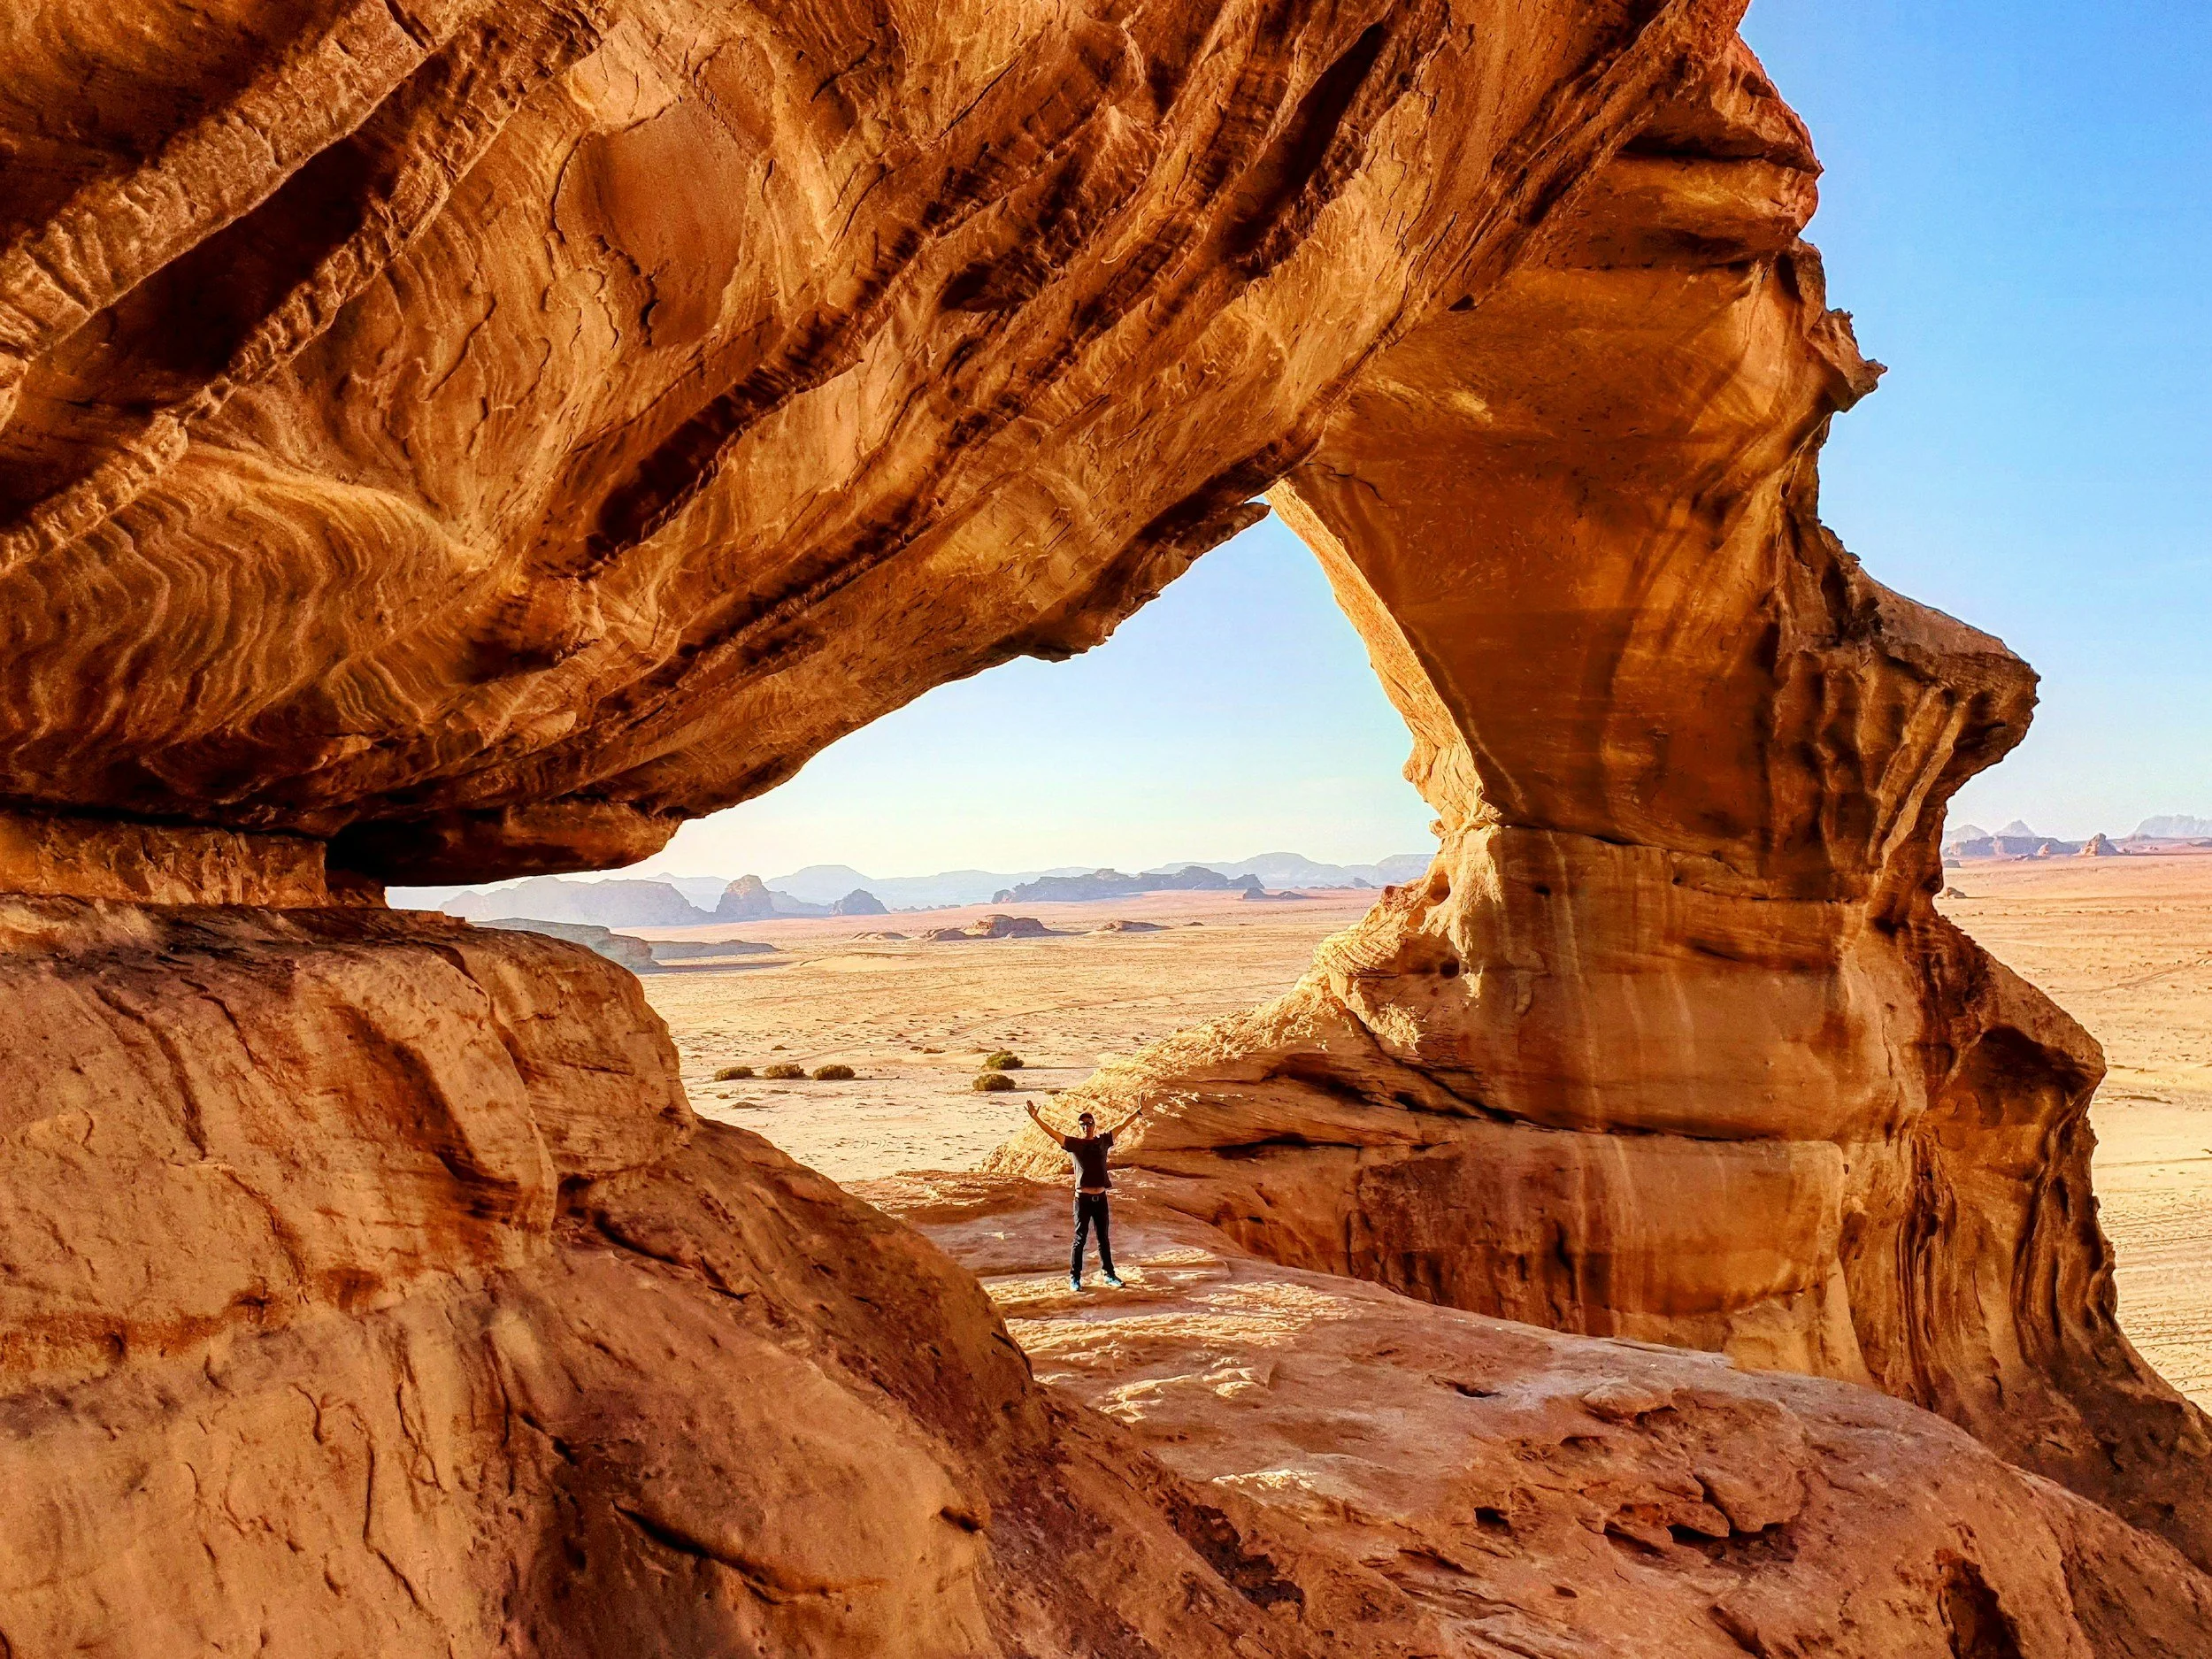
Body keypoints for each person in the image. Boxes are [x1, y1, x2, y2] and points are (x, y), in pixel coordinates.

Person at [1027, 1099, 1145, 1290]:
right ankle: (1075, 1278)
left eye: (1089, 1123)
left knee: (1103, 1238)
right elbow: (1054, 1134)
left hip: (1101, 1198)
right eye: (1083, 1124)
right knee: (1080, 1238)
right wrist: (1036, 1119)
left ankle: (1109, 1274)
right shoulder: (1074, 1144)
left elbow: (1122, 1126)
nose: (1086, 1127)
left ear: (1094, 1125)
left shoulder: (1103, 1141)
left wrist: (1138, 1112)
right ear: (1079, 1127)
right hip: (1082, 1199)